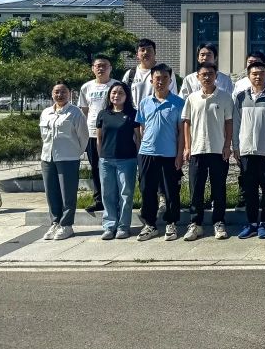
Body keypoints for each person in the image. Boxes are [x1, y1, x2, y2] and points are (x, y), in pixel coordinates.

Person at [181, 62, 234, 241]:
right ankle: (195, 224)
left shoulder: (225, 97)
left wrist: (227, 146)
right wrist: (187, 147)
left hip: (218, 150)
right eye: (203, 74)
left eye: (211, 73)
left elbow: (229, 123)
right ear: (198, 77)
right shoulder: (192, 98)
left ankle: (219, 222)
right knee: (196, 189)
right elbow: (186, 122)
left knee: (219, 188)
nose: (207, 77)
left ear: (216, 76)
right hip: (197, 150)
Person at [233, 61, 265, 240]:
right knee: (249, 190)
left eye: (261, 73)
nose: (258, 76)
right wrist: (235, 147)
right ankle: (252, 224)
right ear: (248, 76)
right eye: (254, 73)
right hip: (246, 151)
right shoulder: (240, 97)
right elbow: (236, 124)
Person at [135, 64, 185, 242]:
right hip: (147, 153)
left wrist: (179, 154)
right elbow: (141, 128)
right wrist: (142, 149)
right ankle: (150, 224)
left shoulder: (179, 103)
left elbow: (181, 132)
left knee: (171, 190)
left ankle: (171, 222)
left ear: (170, 81)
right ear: (151, 80)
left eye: (165, 78)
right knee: (147, 189)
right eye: (157, 78)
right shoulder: (144, 102)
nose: (161, 81)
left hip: (169, 154)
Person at [39, 81, 89, 241]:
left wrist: (75, 153)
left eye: (63, 92)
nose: (59, 95)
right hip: (48, 157)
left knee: (68, 194)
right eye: (56, 92)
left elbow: (83, 137)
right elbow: (44, 136)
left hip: (68, 158)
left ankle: (66, 225)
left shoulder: (75, 113)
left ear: (70, 94)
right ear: (52, 94)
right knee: (51, 193)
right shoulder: (46, 112)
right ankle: (55, 222)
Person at [96, 82, 140, 239]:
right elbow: (99, 138)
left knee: (125, 194)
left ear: (127, 96)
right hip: (106, 160)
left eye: (121, 93)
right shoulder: (103, 114)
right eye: (114, 92)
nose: (116, 95)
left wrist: (139, 159)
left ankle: (123, 226)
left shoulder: (133, 114)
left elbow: (138, 138)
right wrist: (101, 157)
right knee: (107, 194)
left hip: (127, 160)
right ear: (109, 95)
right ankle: (109, 226)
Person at [78, 54, 118, 215]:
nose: (101, 68)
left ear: (110, 68)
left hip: (112, 134)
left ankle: (114, 199)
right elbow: (84, 112)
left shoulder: (116, 85)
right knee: (95, 167)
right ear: (93, 69)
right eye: (98, 66)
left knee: (112, 167)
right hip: (92, 134)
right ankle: (99, 200)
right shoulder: (86, 87)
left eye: (104, 65)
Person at [123, 38, 177, 105]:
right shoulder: (130, 74)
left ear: (155, 53)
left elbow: (173, 96)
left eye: (149, 50)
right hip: (134, 111)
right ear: (137, 55)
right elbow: (122, 95)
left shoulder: (166, 72)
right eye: (142, 50)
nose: (146, 52)